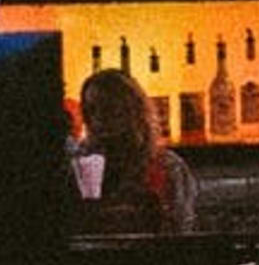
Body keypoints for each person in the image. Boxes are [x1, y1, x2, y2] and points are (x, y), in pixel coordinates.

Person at [74, 63, 195, 233]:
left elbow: (178, 230)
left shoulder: (167, 166)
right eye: (92, 110)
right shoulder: (80, 166)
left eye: (109, 108)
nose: (99, 118)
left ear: (132, 110)